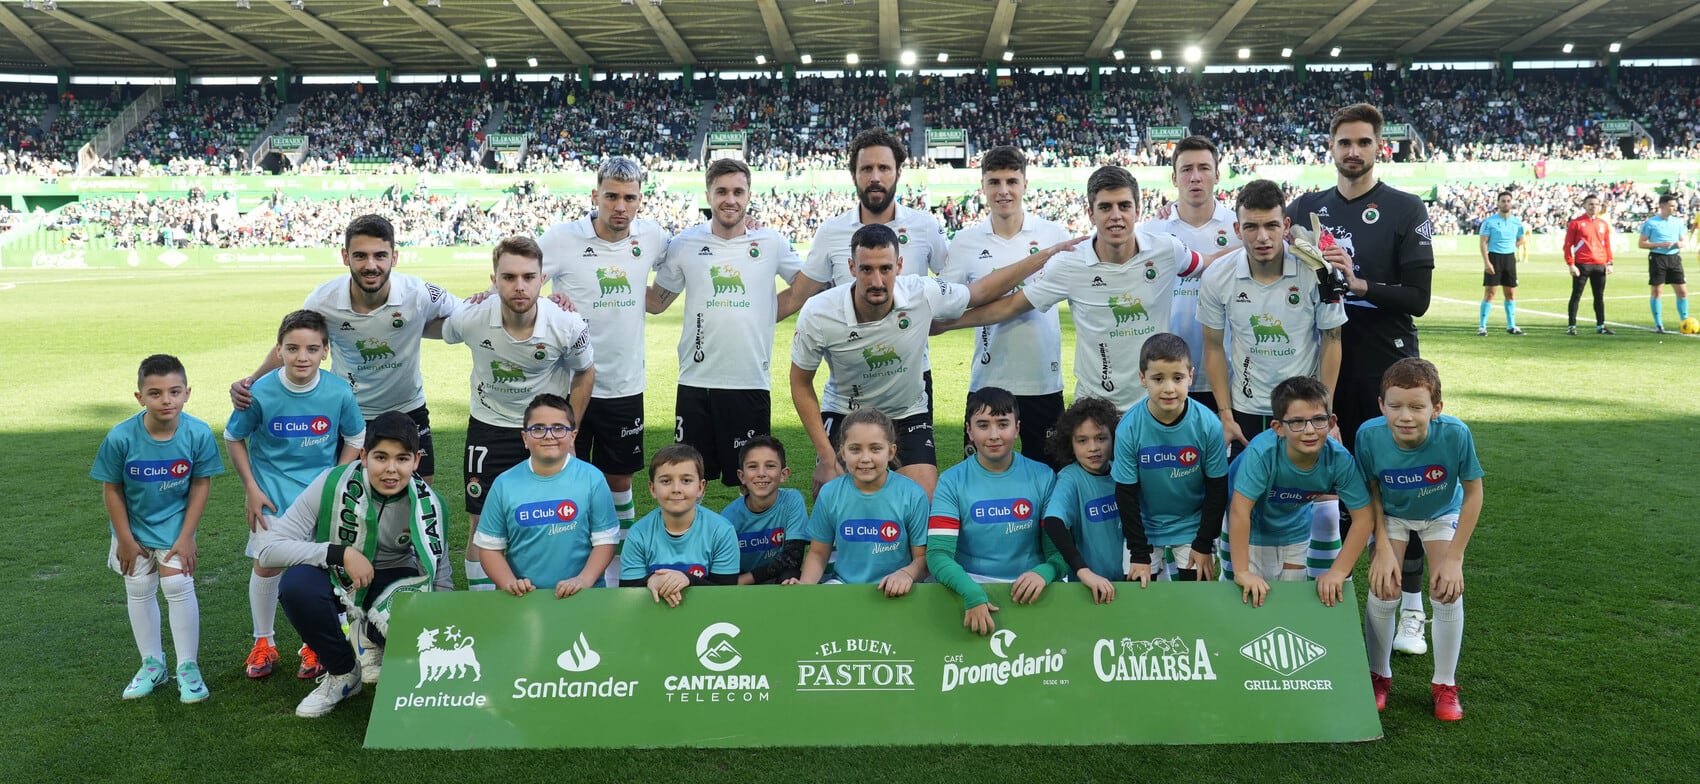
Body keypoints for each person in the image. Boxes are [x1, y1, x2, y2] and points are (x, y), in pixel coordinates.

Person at [1287, 103, 1435, 650]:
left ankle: (1412, 609)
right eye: (1344, 142)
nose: (1353, 151)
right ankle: (1328, 598)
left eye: (1363, 142)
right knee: (1325, 482)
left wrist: (1361, 285)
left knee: (1395, 488)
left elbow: (1418, 299)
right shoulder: (1307, 208)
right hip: (1324, 360)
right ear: (1331, 147)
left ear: (1380, 148)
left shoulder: (1404, 208)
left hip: (1385, 363)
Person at [790, 223, 1081, 498]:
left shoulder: (922, 292)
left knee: (924, 500)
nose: (876, 280)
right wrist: (827, 457)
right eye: (866, 269)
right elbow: (800, 383)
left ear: (899, 267)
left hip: (907, 413)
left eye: (885, 269)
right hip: (846, 412)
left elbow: (980, 292)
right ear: (851, 268)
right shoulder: (819, 313)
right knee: (834, 496)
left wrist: (1046, 255)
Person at [944, 166, 1206, 414]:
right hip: (1096, 410)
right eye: (1105, 207)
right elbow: (1011, 305)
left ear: (1137, 210)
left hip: (1154, 406)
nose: (1116, 215)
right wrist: (946, 325)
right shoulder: (1070, 264)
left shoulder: (1166, 250)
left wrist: (1246, 245)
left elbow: (1209, 264)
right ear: (1090, 213)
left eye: (1124, 206)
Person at [230, 215, 459, 484]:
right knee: (347, 497)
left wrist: (492, 295)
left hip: (406, 407)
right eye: (360, 256)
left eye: (380, 256)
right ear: (345, 256)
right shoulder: (322, 300)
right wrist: (251, 381)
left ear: (394, 258)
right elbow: (294, 344)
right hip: (346, 410)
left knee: (417, 493)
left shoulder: (418, 293)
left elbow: (467, 317)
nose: (370, 265)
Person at [256, 411, 454, 718]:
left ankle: (370, 635)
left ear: (416, 461)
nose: (391, 469)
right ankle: (343, 672)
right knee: (297, 586)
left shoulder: (429, 502)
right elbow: (268, 550)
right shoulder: (331, 483)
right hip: (337, 576)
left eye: (402, 459)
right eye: (380, 457)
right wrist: (340, 554)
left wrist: (444, 627)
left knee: (413, 631)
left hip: (391, 582)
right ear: (363, 456)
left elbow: (439, 574)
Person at [538, 156, 672, 567]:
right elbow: (519, 283)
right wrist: (548, 301)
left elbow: (685, 262)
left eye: (629, 198)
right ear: (595, 195)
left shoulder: (653, 237)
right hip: (569, 385)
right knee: (561, 472)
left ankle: (617, 571)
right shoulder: (561, 239)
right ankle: (563, 560)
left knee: (619, 479)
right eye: (611, 196)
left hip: (624, 384)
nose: (620, 206)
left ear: (640, 201)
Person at [443, 236, 596, 590]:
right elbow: (441, 328)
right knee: (481, 524)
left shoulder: (566, 324)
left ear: (543, 279)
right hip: (490, 427)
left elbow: (586, 371)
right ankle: (484, 607)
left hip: (547, 431)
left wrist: (569, 432)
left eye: (529, 277)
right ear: (493, 280)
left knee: (556, 516)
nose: (519, 286)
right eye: (509, 277)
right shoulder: (470, 318)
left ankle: (555, 592)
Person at [225, 310, 364, 681]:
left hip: (318, 498)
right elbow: (233, 437)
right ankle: (263, 642)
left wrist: (335, 480)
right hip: (270, 497)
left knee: (316, 567)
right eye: (293, 348)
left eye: (312, 348)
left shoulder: (337, 391)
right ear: (279, 350)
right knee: (267, 564)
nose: (302, 356)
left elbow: (355, 437)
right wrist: (251, 489)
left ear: (325, 352)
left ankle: (314, 644)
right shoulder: (259, 393)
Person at [650, 158, 807, 486]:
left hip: (748, 382)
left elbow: (806, 286)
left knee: (753, 482)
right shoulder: (685, 244)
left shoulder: (770, 243)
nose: (730, 199)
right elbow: (656, 302)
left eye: (738, 191)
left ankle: (749, 539)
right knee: (689, 477)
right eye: (721, 191)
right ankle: (694, 539)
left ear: (749, 195)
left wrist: (765, 314)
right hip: (696, 382)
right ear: (708, 195)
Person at [1356, 359, 1483, 722]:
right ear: (1381, 405)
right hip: (1392, 515)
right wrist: (1381, 545)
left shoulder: (1456, 434)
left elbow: (1474, 494)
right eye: (1394, 406)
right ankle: (1378, 675)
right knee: (1383, 587)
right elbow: (1372, 491)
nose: (1405, 416)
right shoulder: (1368, 434)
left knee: (1446, 588)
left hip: (1441, 512)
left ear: (1437, 408)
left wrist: (1455, 558)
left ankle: (1445, 684)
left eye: (1417, 407)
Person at [92, 354, 223, 703]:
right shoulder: (121, 437)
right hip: (131, 528)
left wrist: (187, 536)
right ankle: (152, 664)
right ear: (140, 398)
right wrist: (123, 539)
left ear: (187, 393)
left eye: (174, 391)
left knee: (178, 583)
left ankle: (187, 667)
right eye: (155, 393)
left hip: (175, 526)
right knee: (138, 586)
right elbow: (112, 489)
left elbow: (200, 484)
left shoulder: (197, 433)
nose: (166, 400)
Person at [943, 145, 1075, 469]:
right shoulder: (965, 242)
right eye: (995, 182)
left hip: (1043, 384)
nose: (1004, 191)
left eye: (1012, 181)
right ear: (983, 187)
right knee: (979, 481)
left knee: (1050, 480)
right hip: (988, 382)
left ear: (1025, 185)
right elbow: (946, 304)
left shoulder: (1053, 235)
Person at [1200, 179, 1347, 453]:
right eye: (1251, 227)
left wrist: (1324, 412)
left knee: (1306, 493)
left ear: (1286, 225)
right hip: (1245, 410)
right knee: (1247, 494)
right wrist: (1225, 414)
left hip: (1303, 409)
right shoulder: (1217, 276)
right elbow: (1212, 345)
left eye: (1271, 225)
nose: (1262, 237)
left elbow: (1332, 339)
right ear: (1237, 229)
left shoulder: (1317, 272)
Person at [1221, 377, 1373, 609]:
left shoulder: (1339, 460)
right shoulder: (1262, 454)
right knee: (1244, 600)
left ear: (1331, 422)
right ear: (1278, 428)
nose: (1310, 430)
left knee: (1287, 602)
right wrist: (1242, 571)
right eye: (1298, 422)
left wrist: (1338, 572)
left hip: (1295, 525)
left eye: (1318, 420)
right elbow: (1240, 511)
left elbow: (1364, 518)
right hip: (1250, 525)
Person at [926, 387, 1064, 636]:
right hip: (970, 585)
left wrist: (1045, 572)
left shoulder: (1043, 477)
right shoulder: (951, 482)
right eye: (982, 425)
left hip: (1032, 586)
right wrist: (971, 592)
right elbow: (938, 554)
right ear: (969, 431)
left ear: (1017, 428)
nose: (994, 435)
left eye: (1003, 424)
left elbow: (1059, 552)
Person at [1110, 333, 1230, 584]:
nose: (1168, 388)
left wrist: (1204, 543)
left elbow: (1217, 488)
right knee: (1140, 604)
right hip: (1145, 528)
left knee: (1197, 602)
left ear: (1191, 376)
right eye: (1157, 378)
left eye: (1177, 378)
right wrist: (1139, 553)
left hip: (1193, 526)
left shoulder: (1208, 424)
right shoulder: (1129, 427)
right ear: (1143, 378)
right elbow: (1126, 493)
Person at [473, 393, 619, 598]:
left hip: (583, 596)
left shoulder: (592, 479)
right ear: (525, 438)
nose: (549, 435)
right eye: (538, 428)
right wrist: (510, 583)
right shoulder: (504, 484)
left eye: (559, 428)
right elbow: (490, 548)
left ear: (573, 437)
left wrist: (583, 580)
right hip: (525, 599)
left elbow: (606, 541)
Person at [1145, 135, 1242, 407]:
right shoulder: (1153, 232)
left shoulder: (1240, 229)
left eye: (1204, 168)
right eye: (1186, 169)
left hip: (1229, 373)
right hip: (1167, 375)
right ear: (1174, 178)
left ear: (1217, 174)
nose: (1195, 177)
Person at [799, 407, 930, 593]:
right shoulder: (830, 493)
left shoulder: (912, 495)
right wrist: (805, 586)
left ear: (891, 452)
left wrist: (906, 574)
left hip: (897, 589)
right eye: (855, 449)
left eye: (875, 449)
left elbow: (922, 558)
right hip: (844, 586)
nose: (865, 458)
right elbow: (818, 553)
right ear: (843, 452)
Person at [618, 444, 742, 606]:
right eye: (666, 481)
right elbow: (627, 594)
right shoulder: (638, 534)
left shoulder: (721, 531)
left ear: (700, 487)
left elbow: (726, 594)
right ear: (652, 488)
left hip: (707, 620)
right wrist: (650, 580)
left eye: (686, 480)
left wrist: (688, 579)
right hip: (653, 618)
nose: (676, 489)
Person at [1039, 396, 1121, 603]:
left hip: (1132, 579)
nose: (1093, 448)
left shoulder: (1122, 472)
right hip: (1091, 588)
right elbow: (1053, 522)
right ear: (1070, 444)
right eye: (1082, 440)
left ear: (1114, 438)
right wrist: (1083, 571)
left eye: (1101, 438)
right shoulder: (1071, 477)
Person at [721, 436, 810, 585]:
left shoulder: (792, 501)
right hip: (740, 582)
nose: (761, 473)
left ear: (784, 474)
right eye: (752, 466)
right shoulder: (729, 516)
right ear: (741, 476)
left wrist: (745, 580)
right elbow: (724, 567)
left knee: (792, 576)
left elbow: (792, 558)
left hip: (775, 578)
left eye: (770, 465)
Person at [1477, 190, 1527, 336]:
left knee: (1510, 293)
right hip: (1494, 258)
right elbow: (1483, 242)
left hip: (1509, 259)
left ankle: (1511, 326)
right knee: (1490, 293)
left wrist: (1513, 247)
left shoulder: (1516, 222)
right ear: (1498, 203)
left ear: (1511, 203)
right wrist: (1487, 262)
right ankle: (1482, 326)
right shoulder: (1489, 222)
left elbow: (1521, 238)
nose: (1506, 203)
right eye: (1503, 201)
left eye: (1508, 201)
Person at [1564, 193, 1614, 335]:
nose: (1593, 206)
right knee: (1576, 295)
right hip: (1582, 265)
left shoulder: (1603, 224)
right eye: (1590, 204)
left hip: (1600, 265)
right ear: (1584, 206)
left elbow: (1607, 245)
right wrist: (1571, 264)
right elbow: (1568, 245)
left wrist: (1610, 262)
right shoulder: (1576, 223)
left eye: (1596, 204)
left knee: (1599, 296)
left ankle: (1601, 325)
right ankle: (1572, 326)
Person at [1639, 193, 1688, 334]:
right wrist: (1660, 244)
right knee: (1657, 292)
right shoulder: (1651, 223)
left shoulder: (1678, 222)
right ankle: (1658, 324)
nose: (1674, 208)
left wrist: (1680, 244)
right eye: (1671, 206)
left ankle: (1684, 321)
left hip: (1674, 259)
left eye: (1675, 206)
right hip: (1657, 258)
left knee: (1682, 292)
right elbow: (1641, 243)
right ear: (1662, 206)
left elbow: (1684, 242)